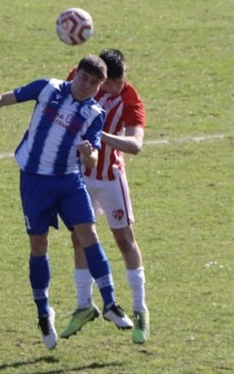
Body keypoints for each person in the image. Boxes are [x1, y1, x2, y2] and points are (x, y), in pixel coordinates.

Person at [0, 55, 134, 350]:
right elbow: (5, 97)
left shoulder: (93, 113)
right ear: (75, 75)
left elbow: (93, 157)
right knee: (39, 245)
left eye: (94, 83)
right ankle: (43, 313)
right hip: (35, 180)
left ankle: (111, 303)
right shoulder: (47, 88)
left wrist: (88, 154)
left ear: (100, 86)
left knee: (88, 233)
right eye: (84, 79)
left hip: (69, 180)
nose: (87, 86)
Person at [58, 49, 149, 344]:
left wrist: (100, 135)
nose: (116, 87)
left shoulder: (130, 99)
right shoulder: (82, 78)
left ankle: (139, 309)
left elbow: (135, 145)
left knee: (124, 241)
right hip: (81, 176)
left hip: (110, 179)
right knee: (79, 238)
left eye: (120, 80)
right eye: (111, 82)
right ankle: (84, 306)